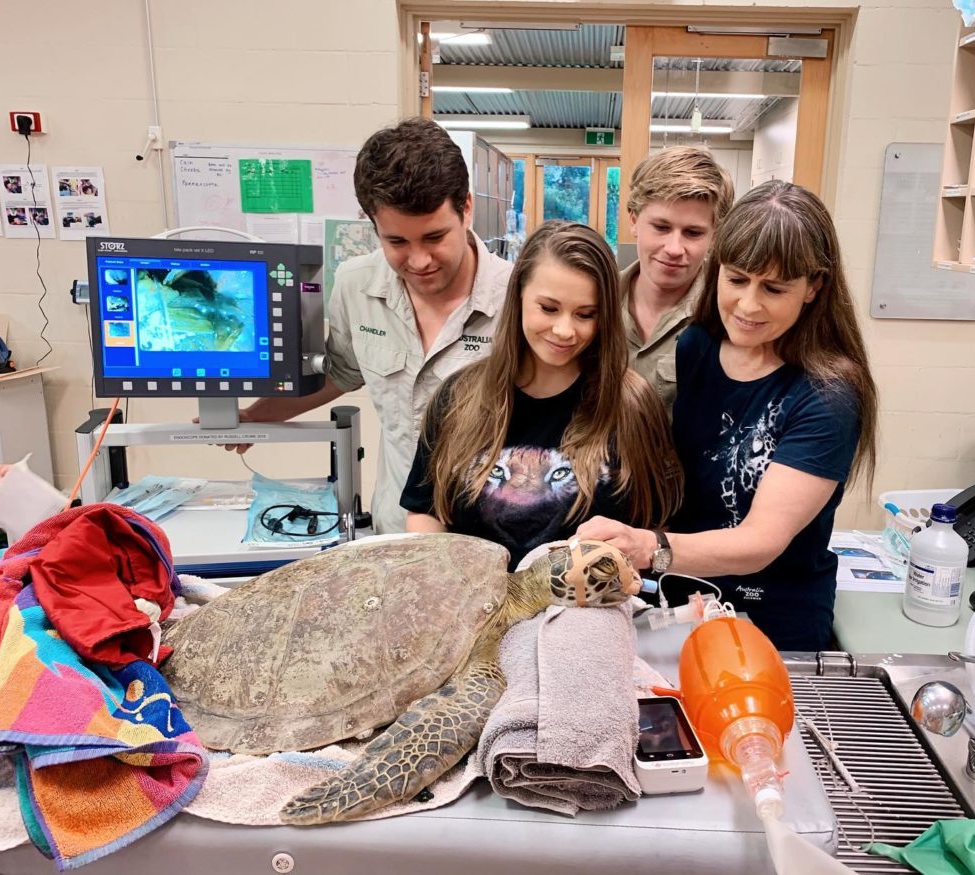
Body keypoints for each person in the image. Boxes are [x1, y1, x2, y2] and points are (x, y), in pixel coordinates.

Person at [578, 181, 879, 651]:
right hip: (681, 597)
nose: (748, 304)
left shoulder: (827, 395)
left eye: (774, 288)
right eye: (736, 279)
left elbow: (760, 542)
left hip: (773, 616)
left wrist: (648, 547)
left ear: (813, 287)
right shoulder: (697, 347)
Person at [227, 118, 512, 534]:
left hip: (492, 534)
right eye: (397, 242)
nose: (418, 261)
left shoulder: (517, 299)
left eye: (434, 237)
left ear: (467, 208)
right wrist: (258, 416)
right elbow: (340, 374)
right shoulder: (356, 285)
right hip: (398, 532)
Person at [400, 220, 681, 570]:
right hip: (479, 613)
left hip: (593, 616)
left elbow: (657, 527)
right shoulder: (458, 398)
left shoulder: (631, 405)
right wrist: (447, 579)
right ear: (518, 297)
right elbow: (424, 510)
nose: (564, 330)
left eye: (585, 314)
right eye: (548, 308)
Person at [622, 146, 733, 415]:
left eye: (693, 233)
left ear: (714, 236)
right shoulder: (595, 301)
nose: (674, 248)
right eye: (661, 227)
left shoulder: (729, 316)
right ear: (634, 221)